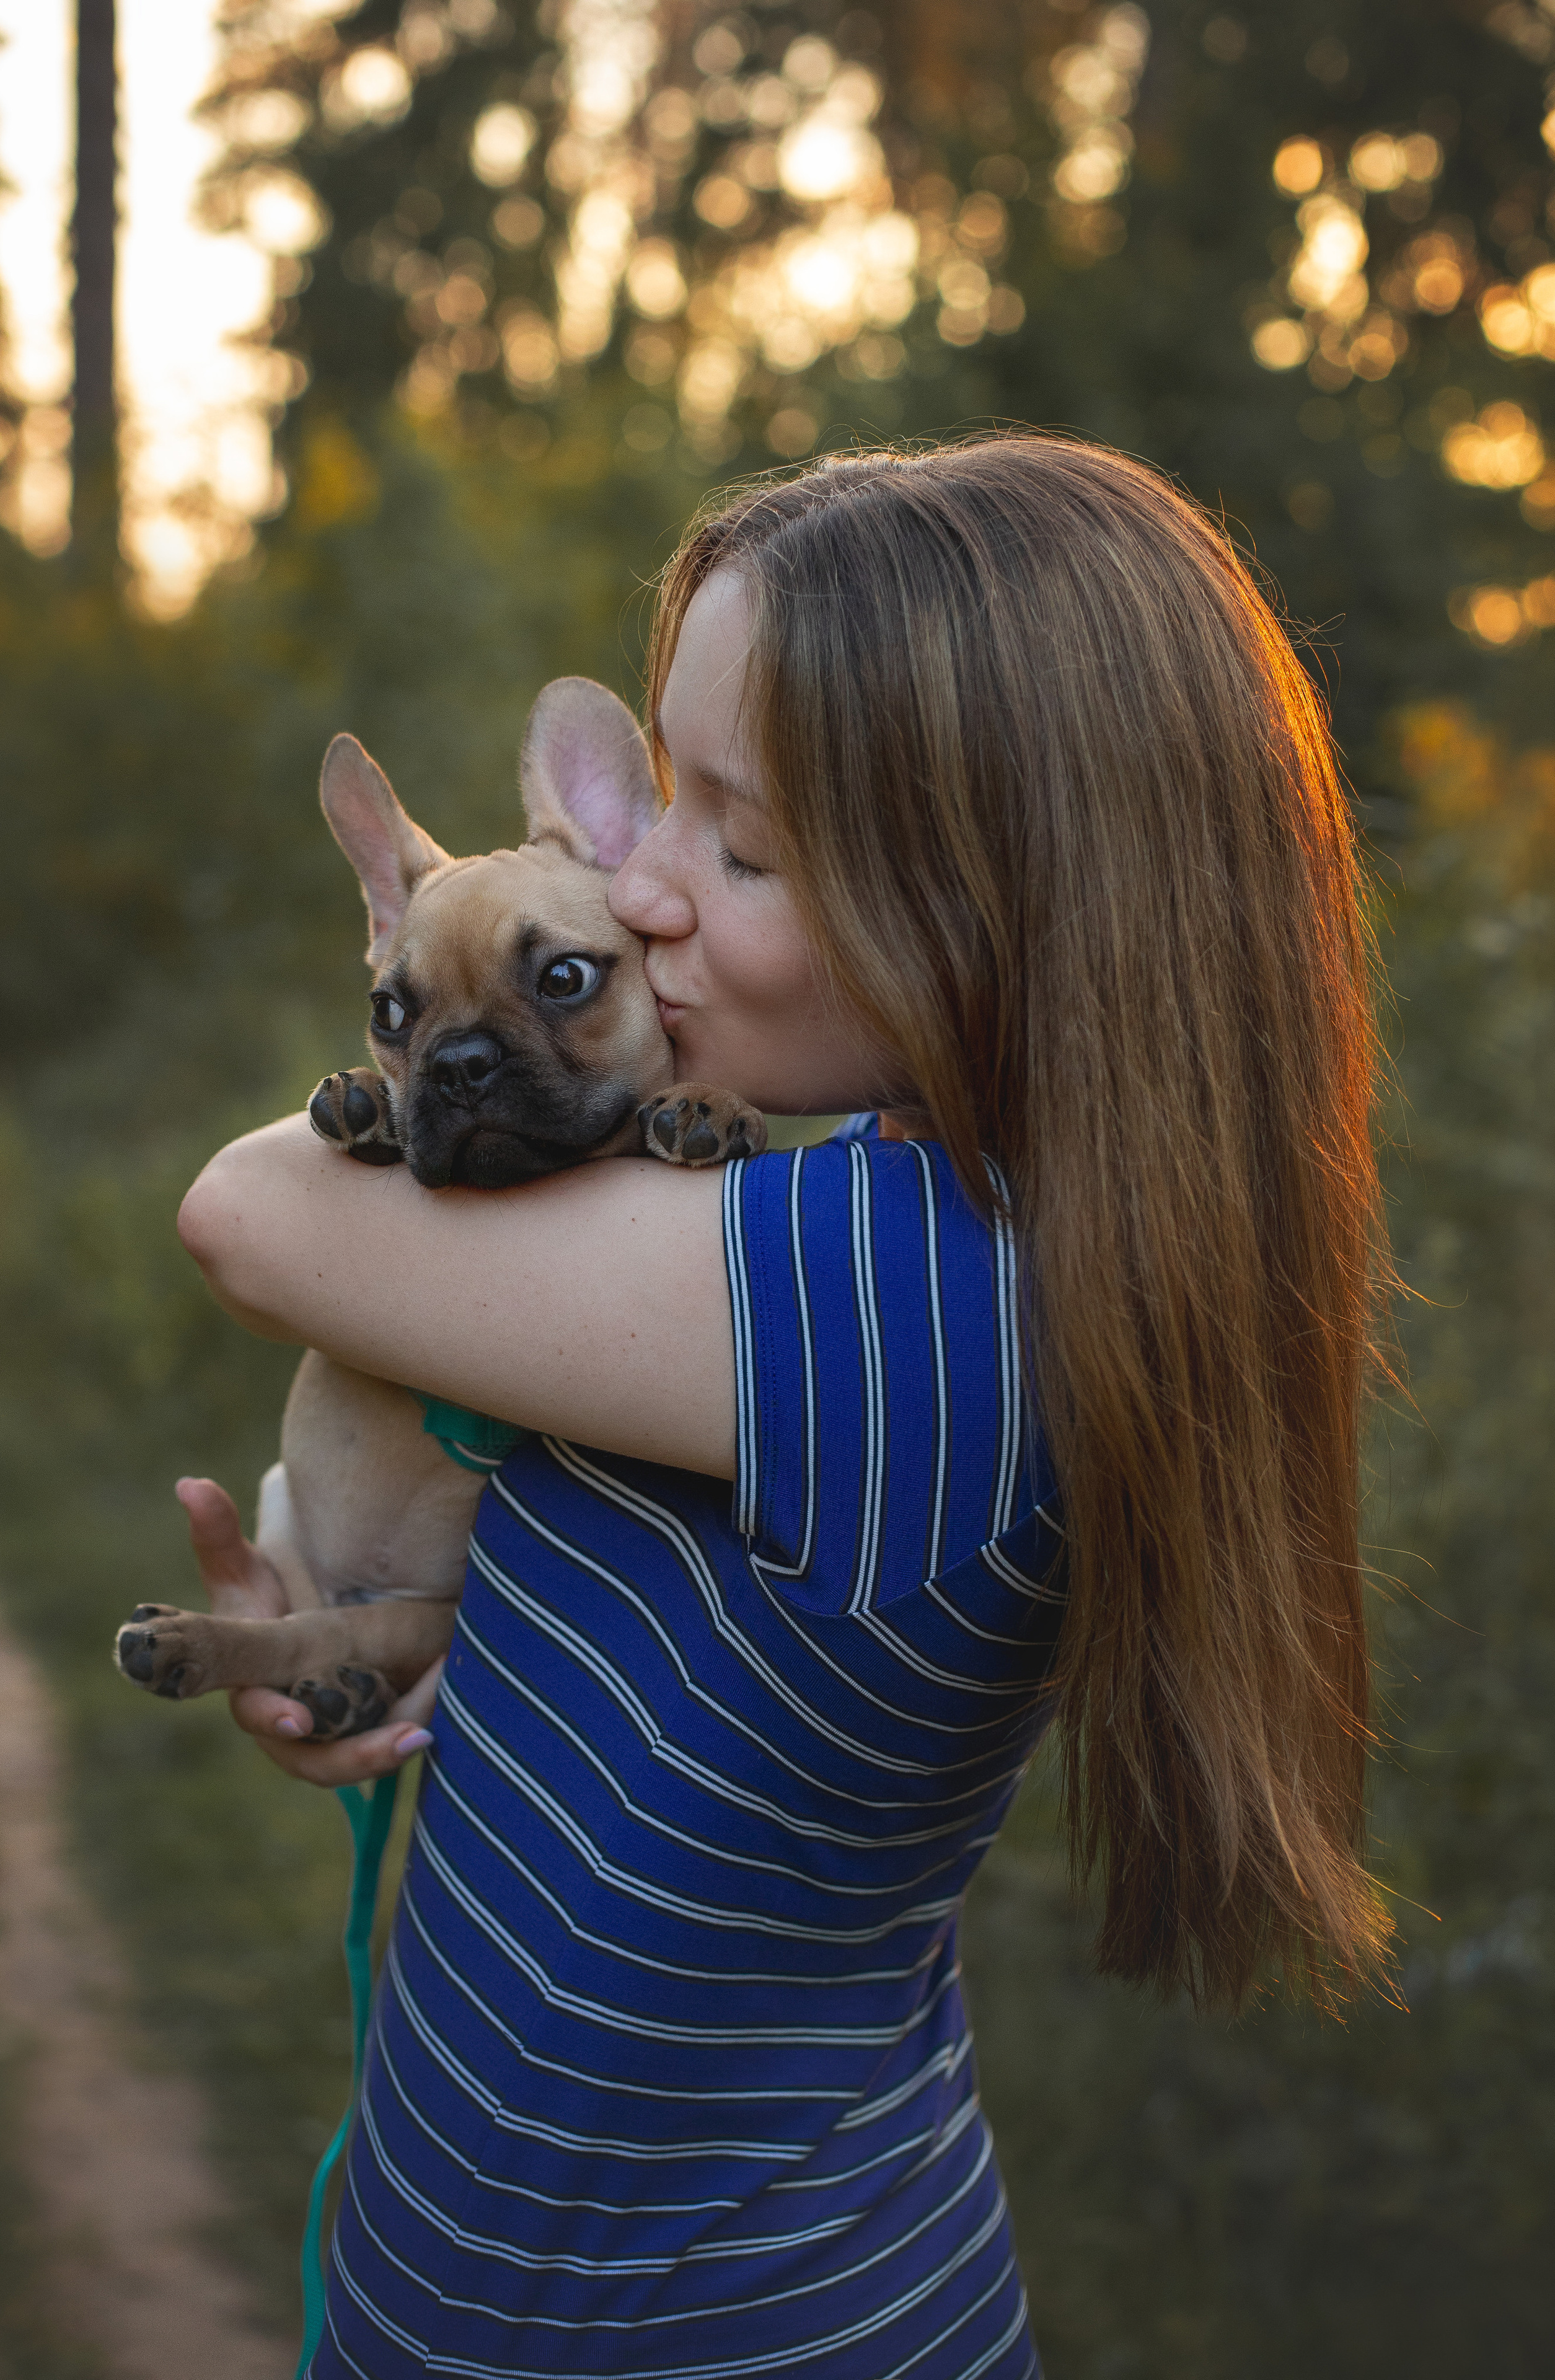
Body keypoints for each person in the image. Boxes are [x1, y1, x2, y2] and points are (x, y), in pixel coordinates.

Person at [177, 436, 1391, 2379]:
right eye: (666, 801)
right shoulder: (869, 1230)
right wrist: (377, 1650)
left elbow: (246, 1210)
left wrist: (419, 1040)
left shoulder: (917, 1289)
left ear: (997, 910)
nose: (646, 887)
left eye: (738, 849)